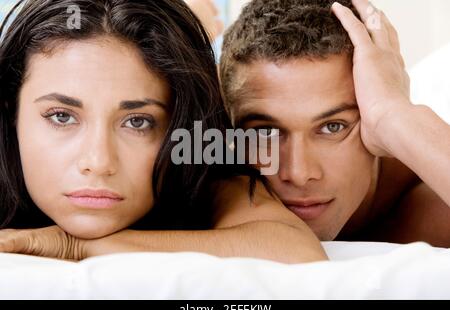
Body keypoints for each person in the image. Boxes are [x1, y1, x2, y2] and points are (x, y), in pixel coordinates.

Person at [0, 0, 326, 263]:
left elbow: (296, 251)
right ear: (11, 112)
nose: (98, 162)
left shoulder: (201, 171)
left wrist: (72, 246)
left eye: (138, 122)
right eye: (61, 116)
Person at [219, 0, 450, 246]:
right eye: (266, 132)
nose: (299, 174)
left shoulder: (430, 199)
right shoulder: (216, 181)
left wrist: (391, 112)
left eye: (333, 127)